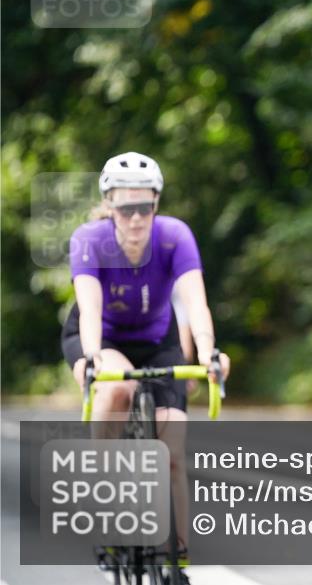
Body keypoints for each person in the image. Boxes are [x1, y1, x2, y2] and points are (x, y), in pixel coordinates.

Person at [62, 151, 231, 584]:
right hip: (102, 337)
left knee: (172, 451)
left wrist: (209, 355)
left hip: (159, 342)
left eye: (145, 207)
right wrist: (96, 361)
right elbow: (89, 307)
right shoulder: (89, 239)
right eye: (125, 207)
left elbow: (195, 303)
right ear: (109, 205)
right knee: (116, 389)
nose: (136, 218)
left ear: (156, 203)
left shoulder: (175, 236)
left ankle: (178, 558)